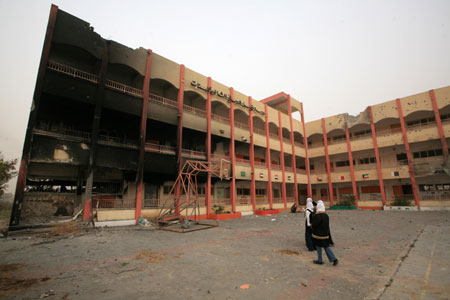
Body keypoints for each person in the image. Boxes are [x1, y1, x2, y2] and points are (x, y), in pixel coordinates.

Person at [311, 200, 339, 266]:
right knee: (326, 247)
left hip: (317, 235)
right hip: (325, 234)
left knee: (318, 247)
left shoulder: (317, 216)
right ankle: (333, 258)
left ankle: (321, 259)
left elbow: (314, 225)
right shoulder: (326, 215)